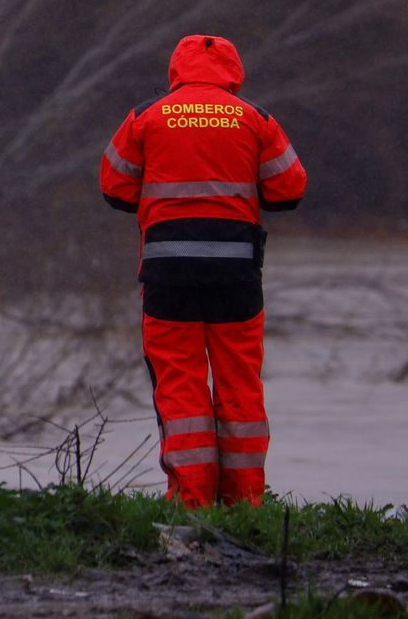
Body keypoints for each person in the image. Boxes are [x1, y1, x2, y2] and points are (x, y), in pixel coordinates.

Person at [98, 34, 307, 508]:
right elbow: (289, 189)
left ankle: (190, 503)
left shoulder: (146, 117)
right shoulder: (255, 118)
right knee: (240, 388)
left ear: (176, 69)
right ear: (234, 71)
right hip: (236, 279)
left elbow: (114, 187)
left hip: (168, 276)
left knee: (179, 386)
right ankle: (245, 503)